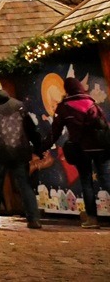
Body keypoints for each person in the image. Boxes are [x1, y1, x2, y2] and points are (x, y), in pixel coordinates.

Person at [0, 77, 42, 230]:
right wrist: (38, 149)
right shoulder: (18, 104)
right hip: (19, 150)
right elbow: (30, 128)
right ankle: (34, 219)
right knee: (24, 184)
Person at [50, 76, 110, 229]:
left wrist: (43, 145)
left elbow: (55, 131)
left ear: (67, 90)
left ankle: (92, 219)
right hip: (101, 147)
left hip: (81, 148)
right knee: (106, 179)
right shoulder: (92, 103)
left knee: (86, 182)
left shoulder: (64, 107)